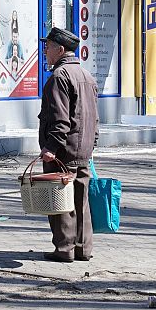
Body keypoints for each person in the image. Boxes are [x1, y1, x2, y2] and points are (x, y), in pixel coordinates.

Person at [38, 27, 99, 263]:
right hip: (83, 149)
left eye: (48, 47)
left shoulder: (59, 76)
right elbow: (94, 118)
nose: (45, 51)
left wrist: (51, 148)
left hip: (63, 151)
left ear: (60, 50)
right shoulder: (86, 76)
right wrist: (92, 143)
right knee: (81, 200)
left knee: (60, 199)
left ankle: (64, 249)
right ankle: (83, 248)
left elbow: (60, 119)